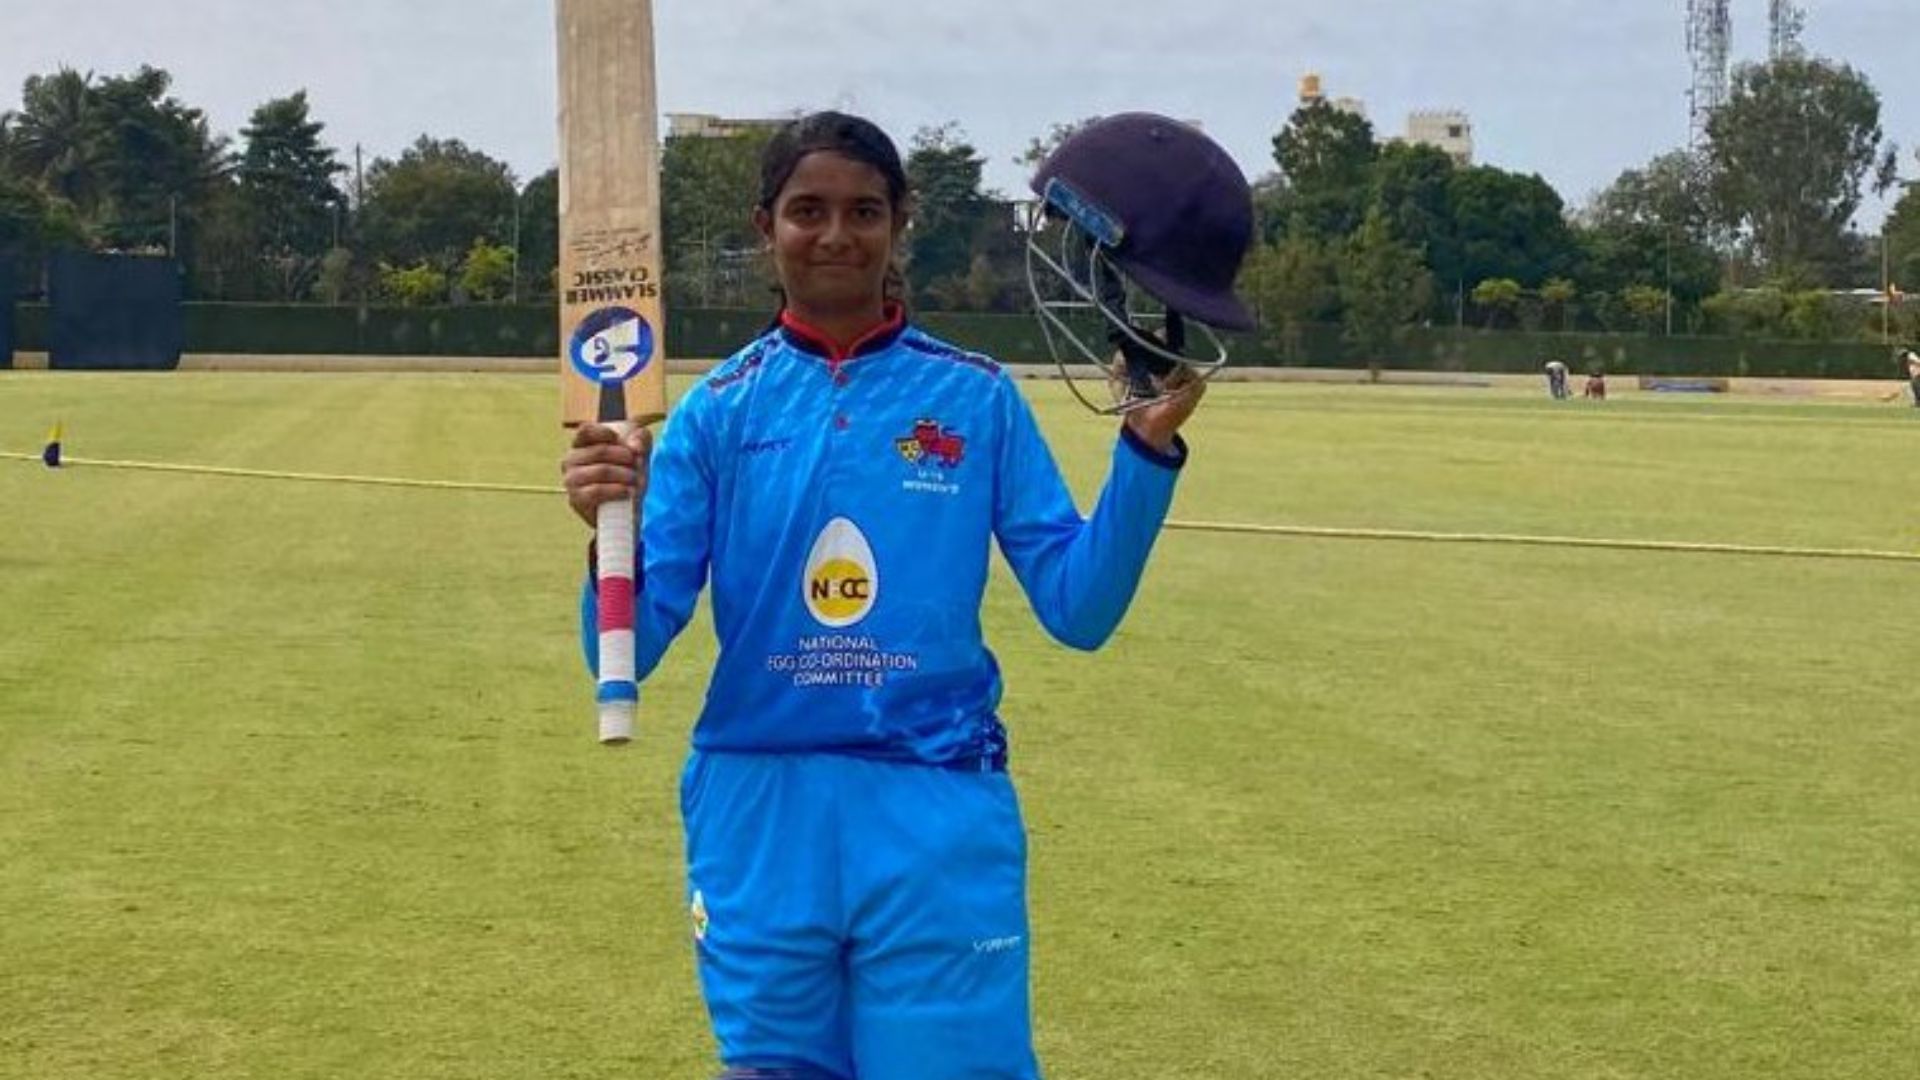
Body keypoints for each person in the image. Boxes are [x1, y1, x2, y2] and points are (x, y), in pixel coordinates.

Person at [560, 111, 1254, 1080]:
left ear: (900, 223)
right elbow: (619, 651)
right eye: (808, 210)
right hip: (760, 808)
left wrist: (1146, 449)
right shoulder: (718, 410)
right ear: (766, 227)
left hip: (935, 808)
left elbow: (1079, 607)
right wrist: (610, 536)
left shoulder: (975, 398)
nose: (836, 235)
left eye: (863, 211)